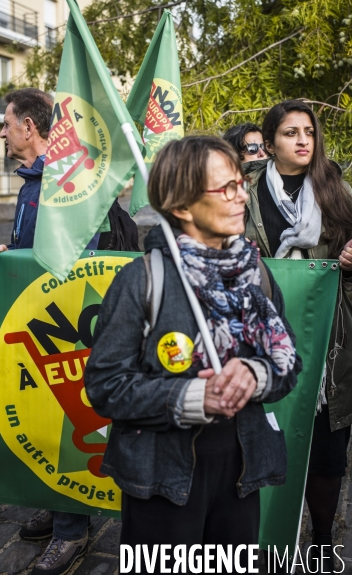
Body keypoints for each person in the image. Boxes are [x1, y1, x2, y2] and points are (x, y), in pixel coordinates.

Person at [84, 136, 302, 574]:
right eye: (226, 189)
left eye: (241, 183)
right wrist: (190, 398)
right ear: (182, 207)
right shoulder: (142, 282)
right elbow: (105, 387)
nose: (242, 196)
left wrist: (256, 374)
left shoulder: (253, 275)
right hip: (163, 481)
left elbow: (288, 364)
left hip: (241, 475)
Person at [244, 99, 352, 573]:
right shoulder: (247, 193)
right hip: (263, 339)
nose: (302, 141)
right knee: (264, 440)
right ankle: (266, 540)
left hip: (329, 344)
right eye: (290, 133)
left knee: (324, 453)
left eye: (309, 133)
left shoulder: (335, 190)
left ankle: (321, 541)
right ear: (271, 141)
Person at [0, 87, 96, 575]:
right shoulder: (29, 184)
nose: (1, 131)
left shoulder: (67, 182)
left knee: (63, 421)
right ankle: (55, 501)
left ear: (29, 128)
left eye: (7, 123)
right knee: (37, 416)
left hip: (62, 327)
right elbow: (30, 249)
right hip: (33, 320)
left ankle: (72, 531)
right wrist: (9, 254)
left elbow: (80, 257)